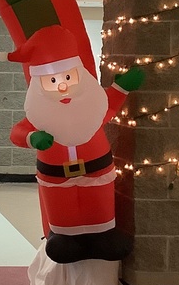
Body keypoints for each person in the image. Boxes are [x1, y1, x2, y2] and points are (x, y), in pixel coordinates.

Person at [8, 25, 143, 264]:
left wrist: (121, 88)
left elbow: (107, 107)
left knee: (99, 204)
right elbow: (18, 132)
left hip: (97, 169)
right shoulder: (39, 115)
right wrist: (32, 138)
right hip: (55, 177)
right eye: (53, 81)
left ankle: (103, 233)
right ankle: (64, 236)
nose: (62, 86)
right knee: (63, 212)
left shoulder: (90, 106)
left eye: (68, 78)